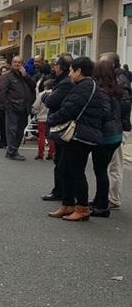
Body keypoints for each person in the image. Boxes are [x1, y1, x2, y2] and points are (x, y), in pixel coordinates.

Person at [47, 56, 109, 222]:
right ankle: (68, 204)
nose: (70, 74)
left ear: (79, 71)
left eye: (72, 71)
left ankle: (82, 207)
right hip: (80, 134)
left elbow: (69, 109)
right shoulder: (89, 85)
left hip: (81, 135)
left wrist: (51, 120)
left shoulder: (85, 86)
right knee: (64, 168)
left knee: (76, 172)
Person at [89, 61, 126, 217]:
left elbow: (103, 113)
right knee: (101, 169)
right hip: (115, 134)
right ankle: (99, 200)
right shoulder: (114, 89)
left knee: (100, 170)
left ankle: (102, 205)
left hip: (106, 135)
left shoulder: (102, 91)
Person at [100, 52, 132, 212]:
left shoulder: (120, 82)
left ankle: (114, 198)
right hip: (115, 126)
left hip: (119, 128)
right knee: (109, 164)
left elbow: (125, 106)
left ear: (111, 65)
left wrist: (115, 120)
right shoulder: (113, 80)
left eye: (102, 63)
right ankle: (107, 196)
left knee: (115, 165)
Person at [41, 53, 75, 201]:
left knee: (63, 162)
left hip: (63, 125)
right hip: (61, 123)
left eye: (55, 64)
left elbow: (50, 101)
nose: (53, 67)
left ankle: (62, 192)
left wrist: (45, 96)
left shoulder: (66, 83)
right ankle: (61, 191)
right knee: (61, 160)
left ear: (59, 67)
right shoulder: (61, 80)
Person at [0, 56, 36, 161]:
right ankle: (12, 152)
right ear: (11, 63)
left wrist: (25, 76)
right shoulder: (7, 76)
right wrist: (7, 107)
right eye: (15, 62)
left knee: (20, 131)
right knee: (12, 131)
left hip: (24, 107)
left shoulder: (24, 75)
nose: (17, 64)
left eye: (19, 62)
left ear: (23, 64)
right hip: (12, 107)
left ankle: (11, 151)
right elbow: (2, 92)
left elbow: (33, 86)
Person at [31, 80, 55, 160]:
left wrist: (35, 112)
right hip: (52, 118)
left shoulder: (42, 95)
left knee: (42, 136)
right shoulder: (56, 94)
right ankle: (51, 153)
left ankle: (40, 153)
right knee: (51, 136)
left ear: (46, 86)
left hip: (41, 118)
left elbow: (36, 106)